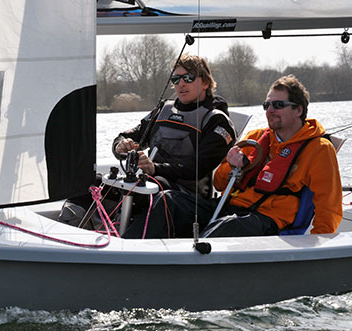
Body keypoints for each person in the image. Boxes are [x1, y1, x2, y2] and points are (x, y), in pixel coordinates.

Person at [122, 74, 343, 238]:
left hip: (268, 220)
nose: (270, 110)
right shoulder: (256, 138)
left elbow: (329, 206)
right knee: (169, 200)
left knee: (228, 227)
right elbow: (219, 183)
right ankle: (128, 255)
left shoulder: (319, 149)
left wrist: (317, 247)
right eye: (267, 105)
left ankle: (189, 271)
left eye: (278, 105)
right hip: (229, 207)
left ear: (299, 110)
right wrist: (233, 167)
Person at [58, 53, 236, 227]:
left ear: (205, 82)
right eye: (176, 79)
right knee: (89, 182)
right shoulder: (164, 110)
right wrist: (121, 145)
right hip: (150, 181)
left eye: (188, 78)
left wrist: (154, 168)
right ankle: (67, 233)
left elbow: (197, 168)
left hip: (184, 197)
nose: (181, 83)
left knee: (143, 191)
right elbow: (131, 135)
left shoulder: (217, 121)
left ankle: (124, 241)